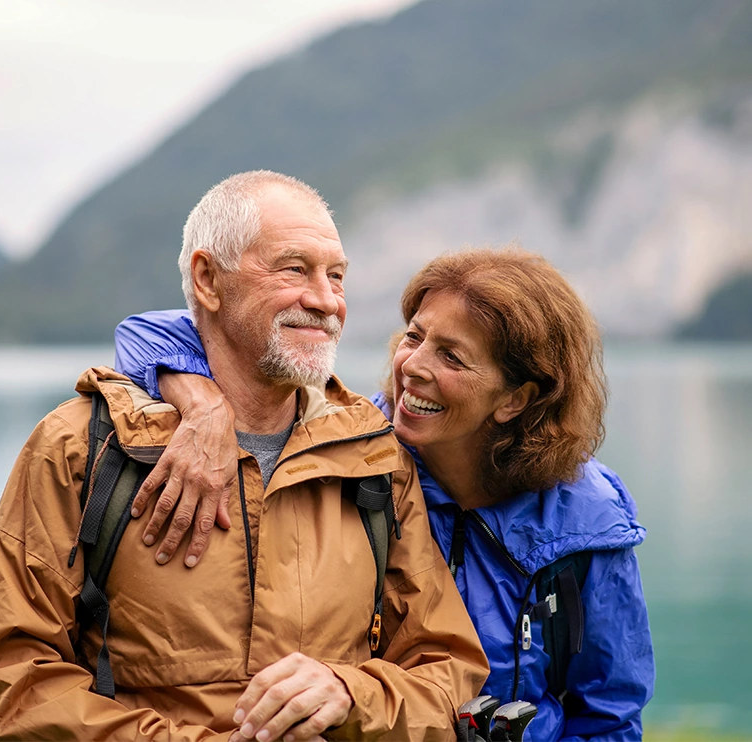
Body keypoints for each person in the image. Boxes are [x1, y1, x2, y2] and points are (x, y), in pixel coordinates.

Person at [0, 171, 489, 741]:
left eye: (336, 276)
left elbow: (447, 670)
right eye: (293, 268)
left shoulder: (374, 454)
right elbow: (7, 687)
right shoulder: (80, 447)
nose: (327, 300)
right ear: (208, 279)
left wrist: (350, 694)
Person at [112, 247, 656, 740]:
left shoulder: (586, 521)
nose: (412, 367)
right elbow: (143, 333)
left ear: (515, 398)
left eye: (452, 356)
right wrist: (203, 404)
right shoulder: (357, 451)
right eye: (414, 336)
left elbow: (609, 714)